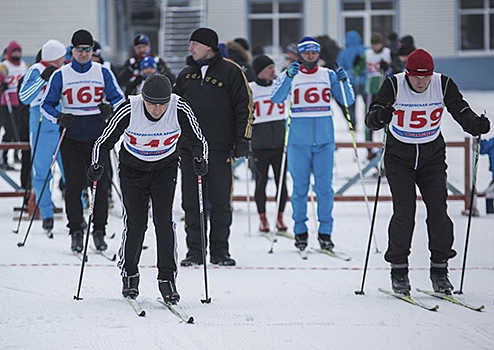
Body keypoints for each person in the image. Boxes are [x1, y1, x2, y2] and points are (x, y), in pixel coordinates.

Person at [365, 48, 491, 294]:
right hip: (399, 158)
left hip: (431, 158)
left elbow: (460, 109)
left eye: (426, 77)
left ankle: (440, 270)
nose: (421, 82)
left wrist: (474, 124)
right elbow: (372, 118)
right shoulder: (393, 85)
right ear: (407, 73)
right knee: (404, 212)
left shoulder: (442, 84)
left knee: (439, 212)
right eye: (416, 77)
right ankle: (399, 271)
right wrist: (381, 115)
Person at [89, 74, 208, 304]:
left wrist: (200, 158)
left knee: (164, 222)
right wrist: (97, 165)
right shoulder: (129, 108)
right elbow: (103, 142)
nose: (156, 109)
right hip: (133, 170)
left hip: (165, 168)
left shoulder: (179, 107)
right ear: (143, 98)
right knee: (136, 224)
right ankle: (130, 274)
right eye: (152, 103)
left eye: (162, 103)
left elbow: (199, 140)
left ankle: (167, 279)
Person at [174, 27, 254, 267]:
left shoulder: (231, 72)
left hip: (219, 149)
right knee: (191, 202)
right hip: (190, 149)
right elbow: (173, 110)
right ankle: (195, 251)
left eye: (194, 44)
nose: (190, 49)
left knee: (220, 202)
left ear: (208, 46)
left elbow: (245, 106)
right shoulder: (186, 75)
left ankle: (220, 251)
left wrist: (243, 139)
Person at [41, 29, 125, 253]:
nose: (84, 54)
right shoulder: (61, 74)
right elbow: (46, 105)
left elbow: (119, 99)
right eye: (80, 50)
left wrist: (110, 109)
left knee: (99, 185)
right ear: (72, 50)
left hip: (99, 139)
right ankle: (76, 230)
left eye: (88, 50)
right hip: (72, 138)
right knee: (74, 186)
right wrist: (59, 116)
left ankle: (99, 231)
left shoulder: (102, 72)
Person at [271, 36, 355, 252]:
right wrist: (288, 77)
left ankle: (325, 233)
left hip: (325, 142)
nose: (310, 57)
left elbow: (347, 101)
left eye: (314, 53)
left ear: (319, 54)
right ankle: (300, 232)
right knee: (300, 189)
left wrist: (344, 81)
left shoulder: (328, 75)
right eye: (306, 53)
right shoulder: (291, 74)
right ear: (300, 55)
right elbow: (277, 98)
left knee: (324, 189)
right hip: (298, 142)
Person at [19, 39, 67, 233]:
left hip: (64, 121)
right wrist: (42, 80)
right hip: (40, 122)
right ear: (55, 57)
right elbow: (24, 97)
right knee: (42, 172)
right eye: (62, 56)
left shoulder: (65, 70)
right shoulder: (36, 69)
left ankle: (78, 214)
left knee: (71, 170)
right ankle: (46, 213)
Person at [249, 54, 288, 233]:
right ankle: (262, 218)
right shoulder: (251, 89)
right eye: (268, 68)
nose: (273, 71)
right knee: (261, 182)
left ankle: (280, 216)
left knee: (282, 183)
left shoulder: (280, 86)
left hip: (280, 143)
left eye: (273, 67)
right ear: (259, 72)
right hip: (259, 144)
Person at [0, 41, 29, 172]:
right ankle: (4, 157)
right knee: (9, 131)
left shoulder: (24, 66)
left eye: (18, 51)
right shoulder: (4, 67)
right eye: (14, 52)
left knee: (20, 130)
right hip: (7, 103)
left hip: (20, 103)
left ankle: (17, 153)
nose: (17, 54)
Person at [364, 32, 391, 146]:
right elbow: (357, 69)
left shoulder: (388, 53)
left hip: (385, 88)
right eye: (374, 45)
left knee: (386, 115)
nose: (376, 47)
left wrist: (388, 67)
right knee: (369, 114)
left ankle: (387, 142)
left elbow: (395, 68)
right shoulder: (367, 54)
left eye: (378, 44)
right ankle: (369, 145)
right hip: (371, 87)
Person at [336, 31, 367, 129]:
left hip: (350, 82)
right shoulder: (366, 50)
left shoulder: (344, 53)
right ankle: (370, 122)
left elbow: (339, 67)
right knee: (369, 103)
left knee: (350, 104)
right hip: (365, 81)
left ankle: (352, 122)